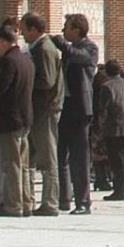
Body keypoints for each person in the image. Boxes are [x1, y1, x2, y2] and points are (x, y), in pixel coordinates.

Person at [0, 25, 34, 217]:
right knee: (23, 163)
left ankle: (13, 204)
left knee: (11, 164)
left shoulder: (9, 61)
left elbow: (1, 87)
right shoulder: (25, 60)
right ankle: (27, 202)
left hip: (10, 119)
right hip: (25, 117)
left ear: (3, 41)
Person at [52, 15, 99, 212]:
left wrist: (61, 44)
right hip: (64, 107)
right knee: (60, 155)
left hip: (80, 109)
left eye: (67, 27)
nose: (64, 31)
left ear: (77, 30)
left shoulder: (89, 48)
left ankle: (83, 201)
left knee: (79, 158)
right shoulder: (69, 51)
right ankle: (64, 199)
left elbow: (82, 58)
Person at [22, 14, 63, 217]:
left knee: (47, 157)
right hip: (38, 109)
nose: (22, 34)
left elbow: (47, 81)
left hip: (45, 110)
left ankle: (50, 201)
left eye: (24, 29)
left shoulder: (45, 49)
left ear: (34, 29)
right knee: (32, 155)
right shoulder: (37, 48)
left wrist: (26, 85)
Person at [96, 60, 124, 201]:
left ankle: (119, 191)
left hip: (114, 129)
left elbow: (103, 110)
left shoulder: (107, 87)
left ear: (107, 72)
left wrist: (100, 129)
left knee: (116, 161)